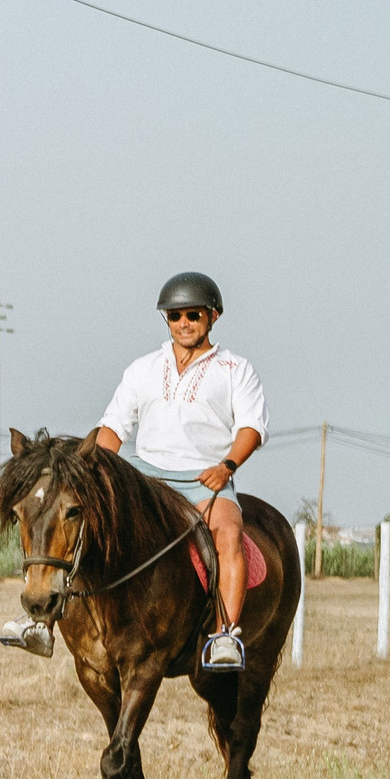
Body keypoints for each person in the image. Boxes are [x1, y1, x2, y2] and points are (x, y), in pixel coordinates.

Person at [91, 271, 266, 670]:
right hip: (145, 475)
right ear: (166, 319)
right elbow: (115, 425)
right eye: (175, 316)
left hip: (204, 479)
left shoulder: (236, 369)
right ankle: (43, 620)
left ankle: (225, 637)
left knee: (229, 534)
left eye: (193, 315)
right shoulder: (142, 369)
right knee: (81, 523)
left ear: (213, 317)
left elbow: (251, 427)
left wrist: (227, 467)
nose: (184, 324)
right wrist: (96, 473)